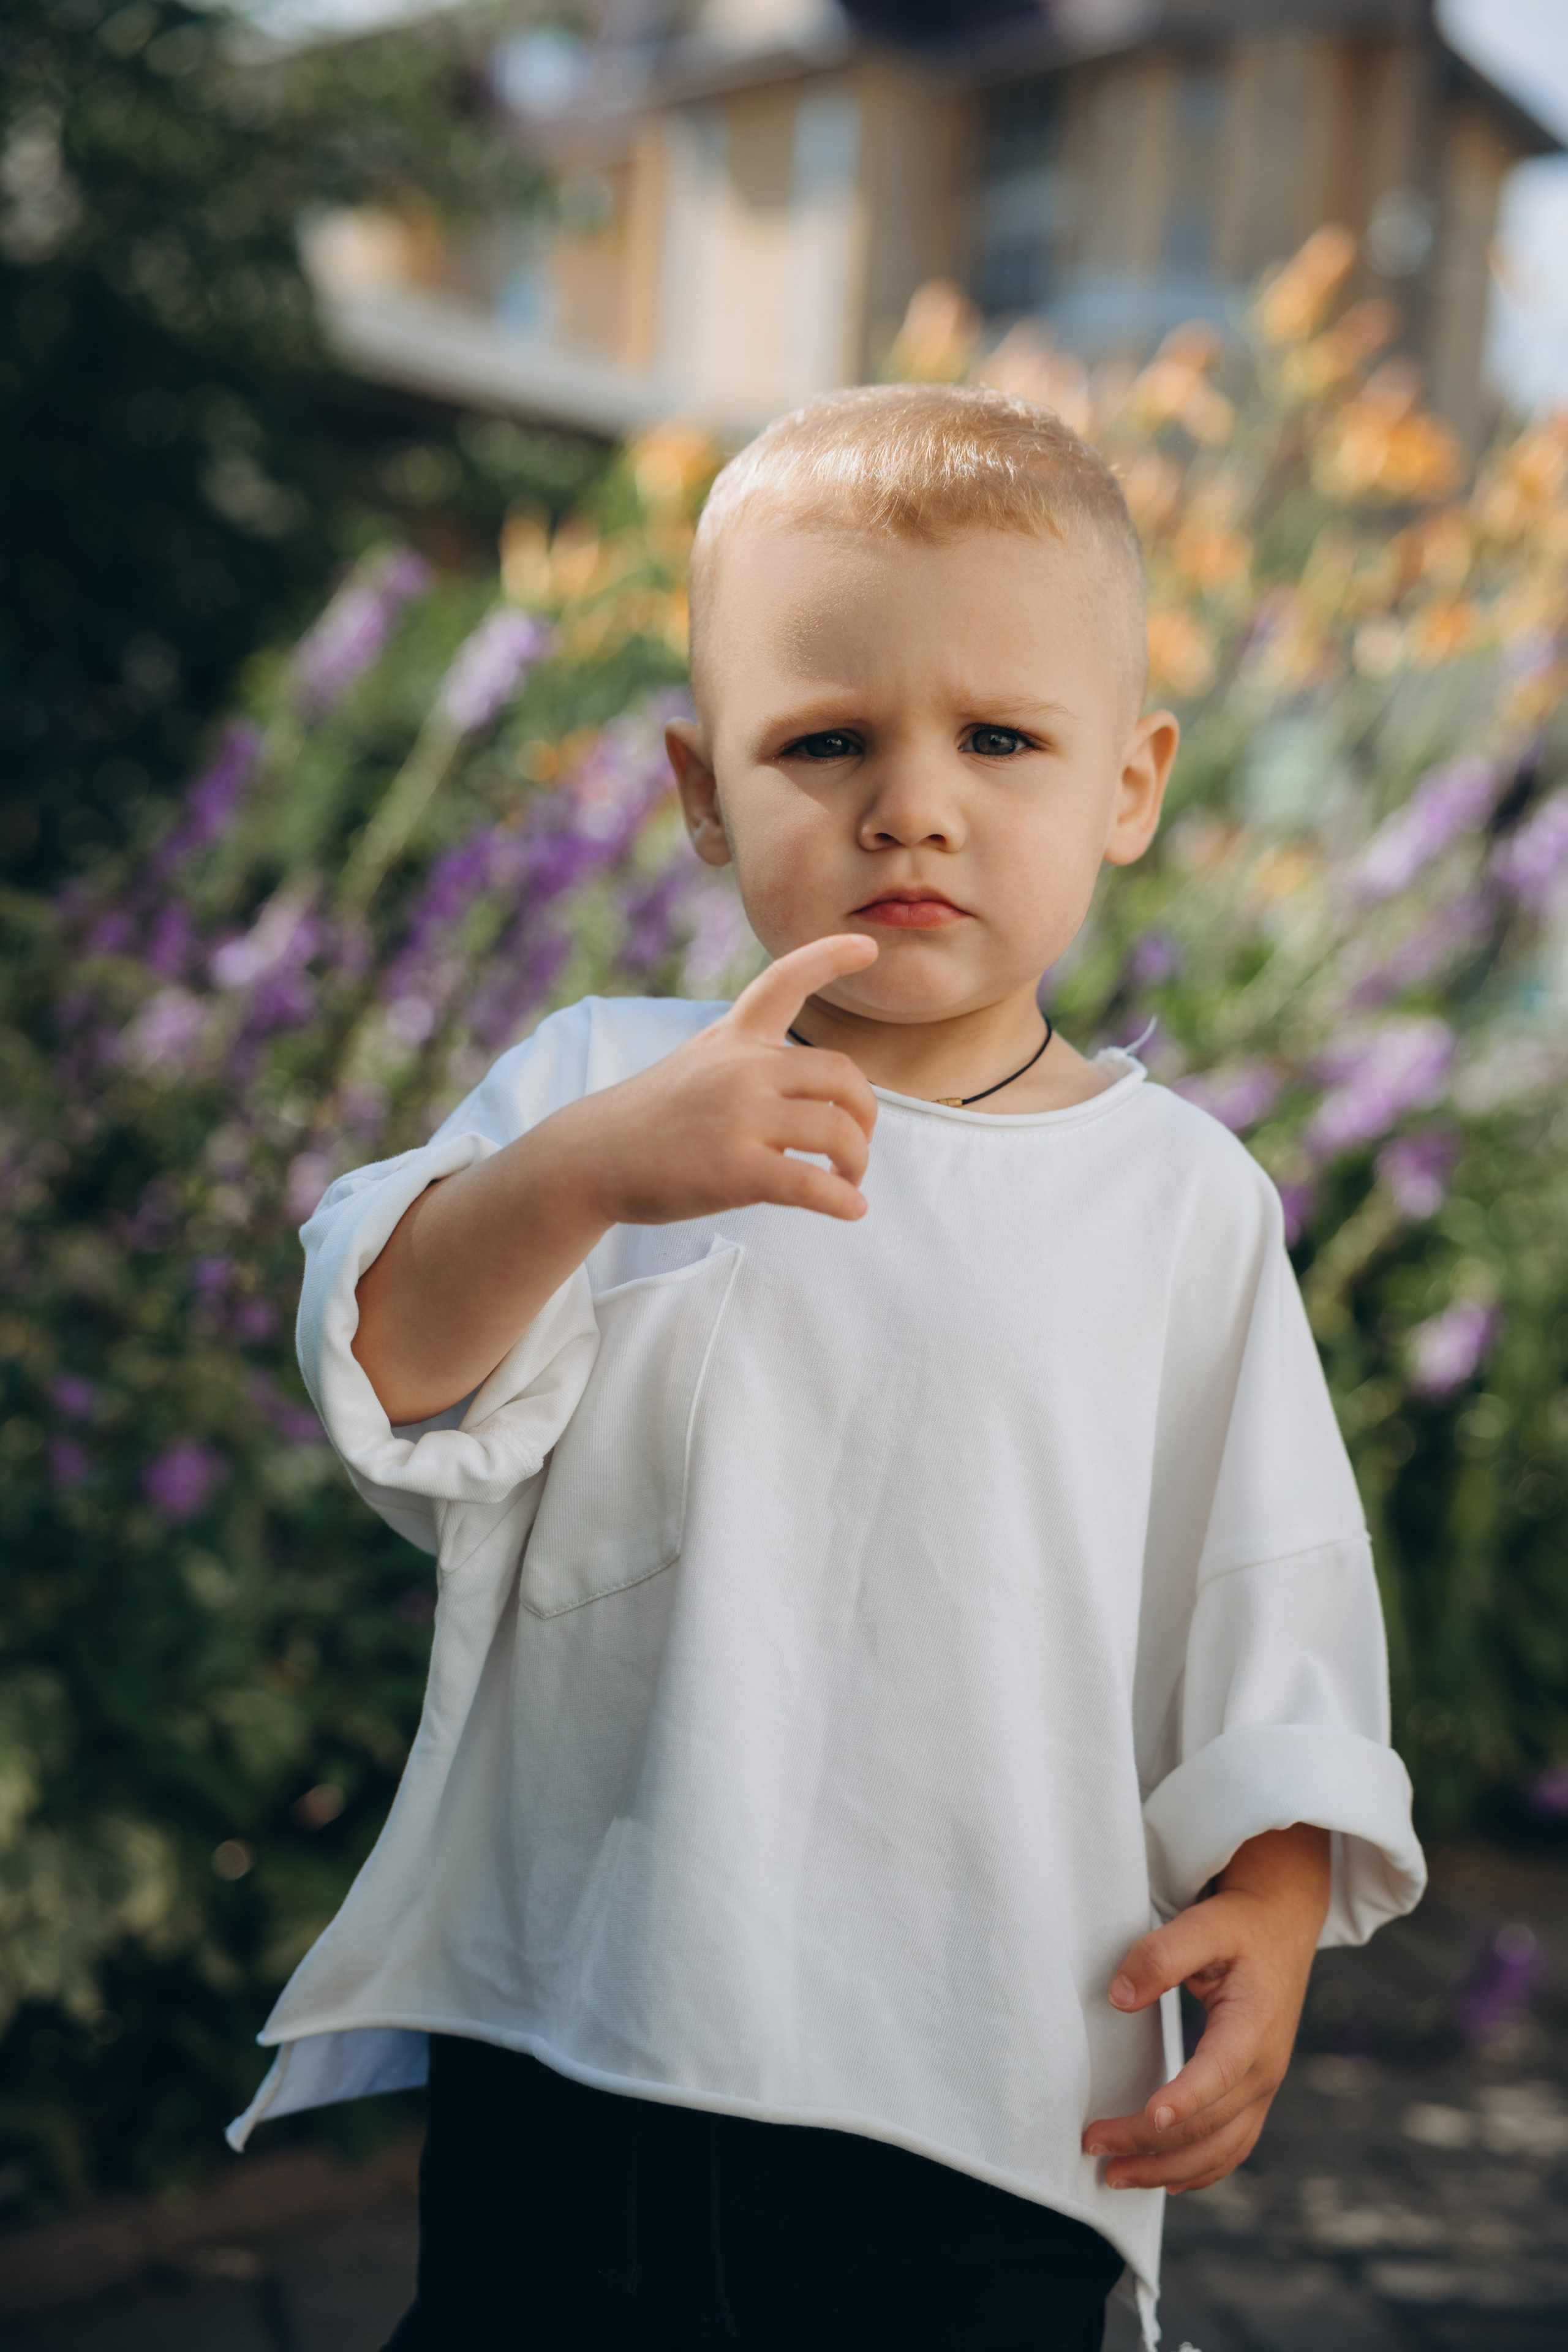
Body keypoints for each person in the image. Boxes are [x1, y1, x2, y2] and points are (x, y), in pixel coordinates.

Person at [227, 385, 1425, 2350]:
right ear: (705, 793)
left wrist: (1279, 1898)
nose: (913, 803)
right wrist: (582, 1183)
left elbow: (1266, 1591)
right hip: (597, 2021)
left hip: (985, 2066)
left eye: (1003, 740)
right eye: (829, 741)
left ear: (1131, 786)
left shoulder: (1176, 1200)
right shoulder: (610, 1084)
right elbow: (392, 1366)